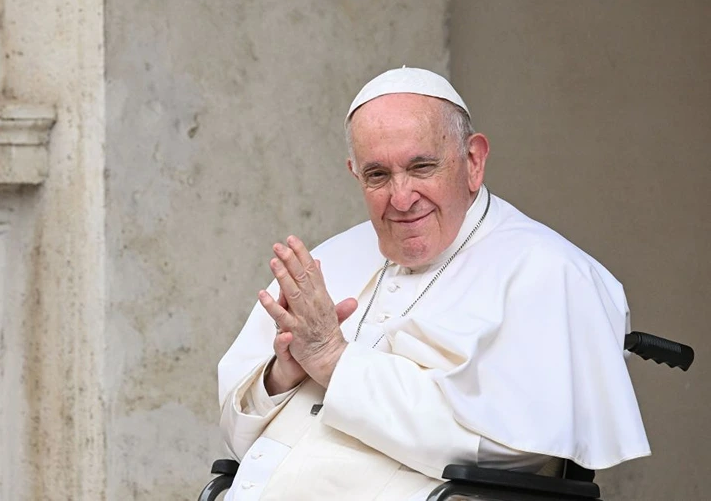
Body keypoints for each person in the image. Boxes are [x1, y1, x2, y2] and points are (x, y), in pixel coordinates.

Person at [217, 67, 649, 500]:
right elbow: (237, 437)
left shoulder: (551, 271)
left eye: (421, 167)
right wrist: (281, 376)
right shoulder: (332, 257)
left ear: (473, 161)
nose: (401, 198)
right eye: (377, 175)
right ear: (355, 174)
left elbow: (508, 453)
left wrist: (333, 360)